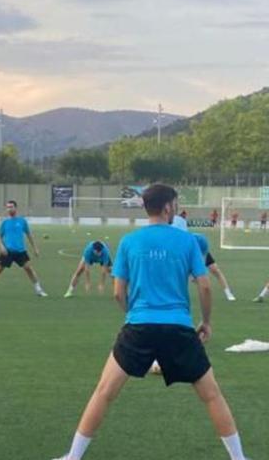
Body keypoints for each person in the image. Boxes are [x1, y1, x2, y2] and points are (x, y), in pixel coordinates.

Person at [51, 184, 248, 460]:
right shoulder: (188, 241)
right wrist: (206, 322)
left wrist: (134, 316)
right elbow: (204, 287)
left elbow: (118, 292)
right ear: (168, 207)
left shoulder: (129, 241)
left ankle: (73, 457)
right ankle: (239, 458)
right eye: (175, 205)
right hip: (179, 328)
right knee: (212, 395)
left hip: (138, 326)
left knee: (104, 393)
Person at [0, 200, 47, 298]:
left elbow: (29, 234)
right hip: (7, 251)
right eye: (8, 207)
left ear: (16, 208)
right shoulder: (4, 222)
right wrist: (1, 247)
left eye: (11, 207)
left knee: (29, 269)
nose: (9, 209)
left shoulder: (22, 221)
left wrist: (35, 248)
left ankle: (38, 290)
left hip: (20, 251)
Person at [192, 233, 236, 302]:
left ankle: (228, 293)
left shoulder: (202, 242)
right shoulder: (185, 246)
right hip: (189, 254)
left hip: (200, 250)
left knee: (215, 270)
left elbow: (203, 260)